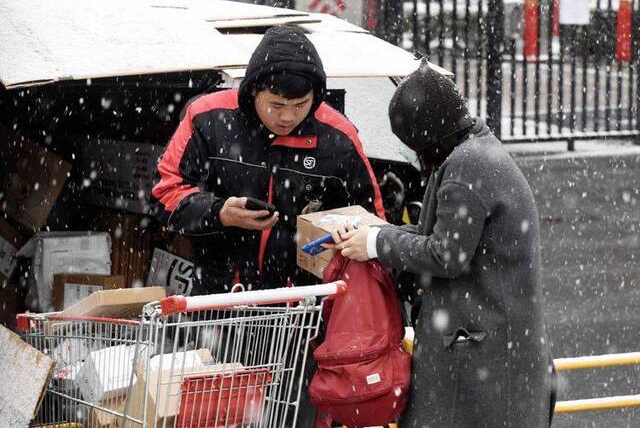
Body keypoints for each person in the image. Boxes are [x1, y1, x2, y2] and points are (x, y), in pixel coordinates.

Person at [330, 59, 555, 427]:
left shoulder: (466, 168)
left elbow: (445, 253)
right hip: (493, 347)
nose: (418, 161)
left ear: (430, 137)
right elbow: (431, 236)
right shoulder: (473, 151)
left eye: (416, 148)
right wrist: (375, 233)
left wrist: (375, 243)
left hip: (482, 353)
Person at [150, 26, 385, 295]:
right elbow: (163, 193)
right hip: (218, 296)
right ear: (253, 91)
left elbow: (373, 222)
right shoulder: (208, 117)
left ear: (315, 97)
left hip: (303, 306)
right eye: (276, 104)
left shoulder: (339, 136)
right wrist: (219, 213)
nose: (287, 117)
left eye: (300, 105)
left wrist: (340, 235)